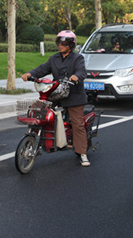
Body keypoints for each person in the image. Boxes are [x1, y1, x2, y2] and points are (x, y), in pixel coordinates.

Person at [21, 30, 90, 167]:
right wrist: (30, 74)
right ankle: (33, 139)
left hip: (74, 94)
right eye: (58, 42)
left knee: (77, 124)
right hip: (57, 92)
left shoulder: (78, 58)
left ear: (71, 44)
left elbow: (82, 71)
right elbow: (43, 69)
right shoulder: (54, 58)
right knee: (39, 111)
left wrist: (76, 76)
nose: (60, 45)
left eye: (64, 42)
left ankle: (82, 153)